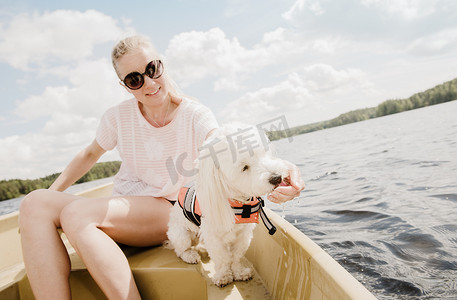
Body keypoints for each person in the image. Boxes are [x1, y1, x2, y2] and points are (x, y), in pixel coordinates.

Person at [19, 35, 305, 300]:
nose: (148, 82)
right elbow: (89, 153)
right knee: (33, 203)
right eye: (134, 79)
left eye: (152, 69)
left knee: (75, 213)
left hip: (169, 208)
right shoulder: (117, 117)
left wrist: (282, 171)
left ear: (162, 65)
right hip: (125, 206)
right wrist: (52, 192)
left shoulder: (195, 115)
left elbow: (226, 147)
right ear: (124, 85)